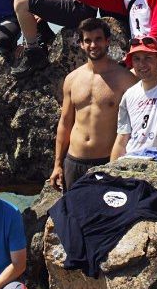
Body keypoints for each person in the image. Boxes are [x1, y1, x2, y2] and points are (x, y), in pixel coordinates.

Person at [50, 18, 138, 190]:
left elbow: (135, 126)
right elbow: (65, 123)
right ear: (81, 44)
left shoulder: (125, 79)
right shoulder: (72, 79)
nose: (93, 45)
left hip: (106, 162)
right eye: (88, 40)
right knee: (73, 208)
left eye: (98, 39)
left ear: (107, 41)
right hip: (74, 161)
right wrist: (57, 164)